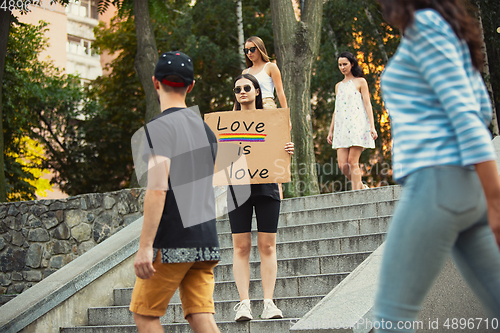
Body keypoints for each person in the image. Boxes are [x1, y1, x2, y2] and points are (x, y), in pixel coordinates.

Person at [373, 0, 500, 331]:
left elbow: (466, 115)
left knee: (391, 315)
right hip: (465, 188)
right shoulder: (447, 30)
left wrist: (497, 199)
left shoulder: (425, 26)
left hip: (437, 181)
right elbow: (479, 105)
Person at [129, 51, 221, 333]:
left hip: (172, 241)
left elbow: (158, 189)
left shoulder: (159, 128)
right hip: (205, 239)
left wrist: (145, 247)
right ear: (190, 86)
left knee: (145, 315)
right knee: (200, 315)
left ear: (155, 82)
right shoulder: (207, 131)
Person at [229, 73, 294, 322]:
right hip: (237, 188)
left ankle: (269, 303)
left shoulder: (272, 119)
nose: (242, 92)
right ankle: (244, 303)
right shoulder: (226, 123)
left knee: (267, 246)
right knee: (241, 247)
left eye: (247, 87)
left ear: (257, 91)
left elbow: (281, 152)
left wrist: (288, 149)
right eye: (237, 89)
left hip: (267, 187)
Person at [327, 51, 377, 191]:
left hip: (357, 126)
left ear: (352, 64)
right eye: (340, 65)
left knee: (352, 161)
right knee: (342, 165)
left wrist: (372, 126)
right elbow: (337, 109)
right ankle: (361, 187)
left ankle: (357, 195)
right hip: (341, 128)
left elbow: (368, 105)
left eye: (345, 64)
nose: (342, 67)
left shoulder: (361, 82)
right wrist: (331, 131)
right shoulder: (338, 86)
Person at [241, 36, 288, 110]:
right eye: (246, 50)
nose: (249, 53)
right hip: (250, 107)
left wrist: (286, 116)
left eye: (252, 49)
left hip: (266, 105)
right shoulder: (245, 72)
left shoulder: (271, 67)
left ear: (260, 49)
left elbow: (280, 92)